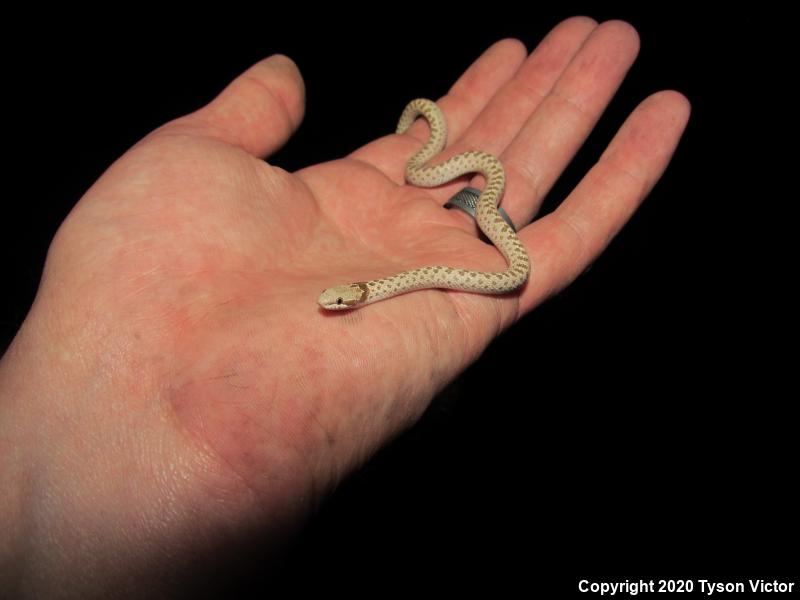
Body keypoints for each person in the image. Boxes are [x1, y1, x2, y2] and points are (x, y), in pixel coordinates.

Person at [0, 18, 689, 597]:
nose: (333, 302)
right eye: (338, 299)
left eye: (339, 298)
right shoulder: (383, 279)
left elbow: (498, 250)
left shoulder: (419, 258)